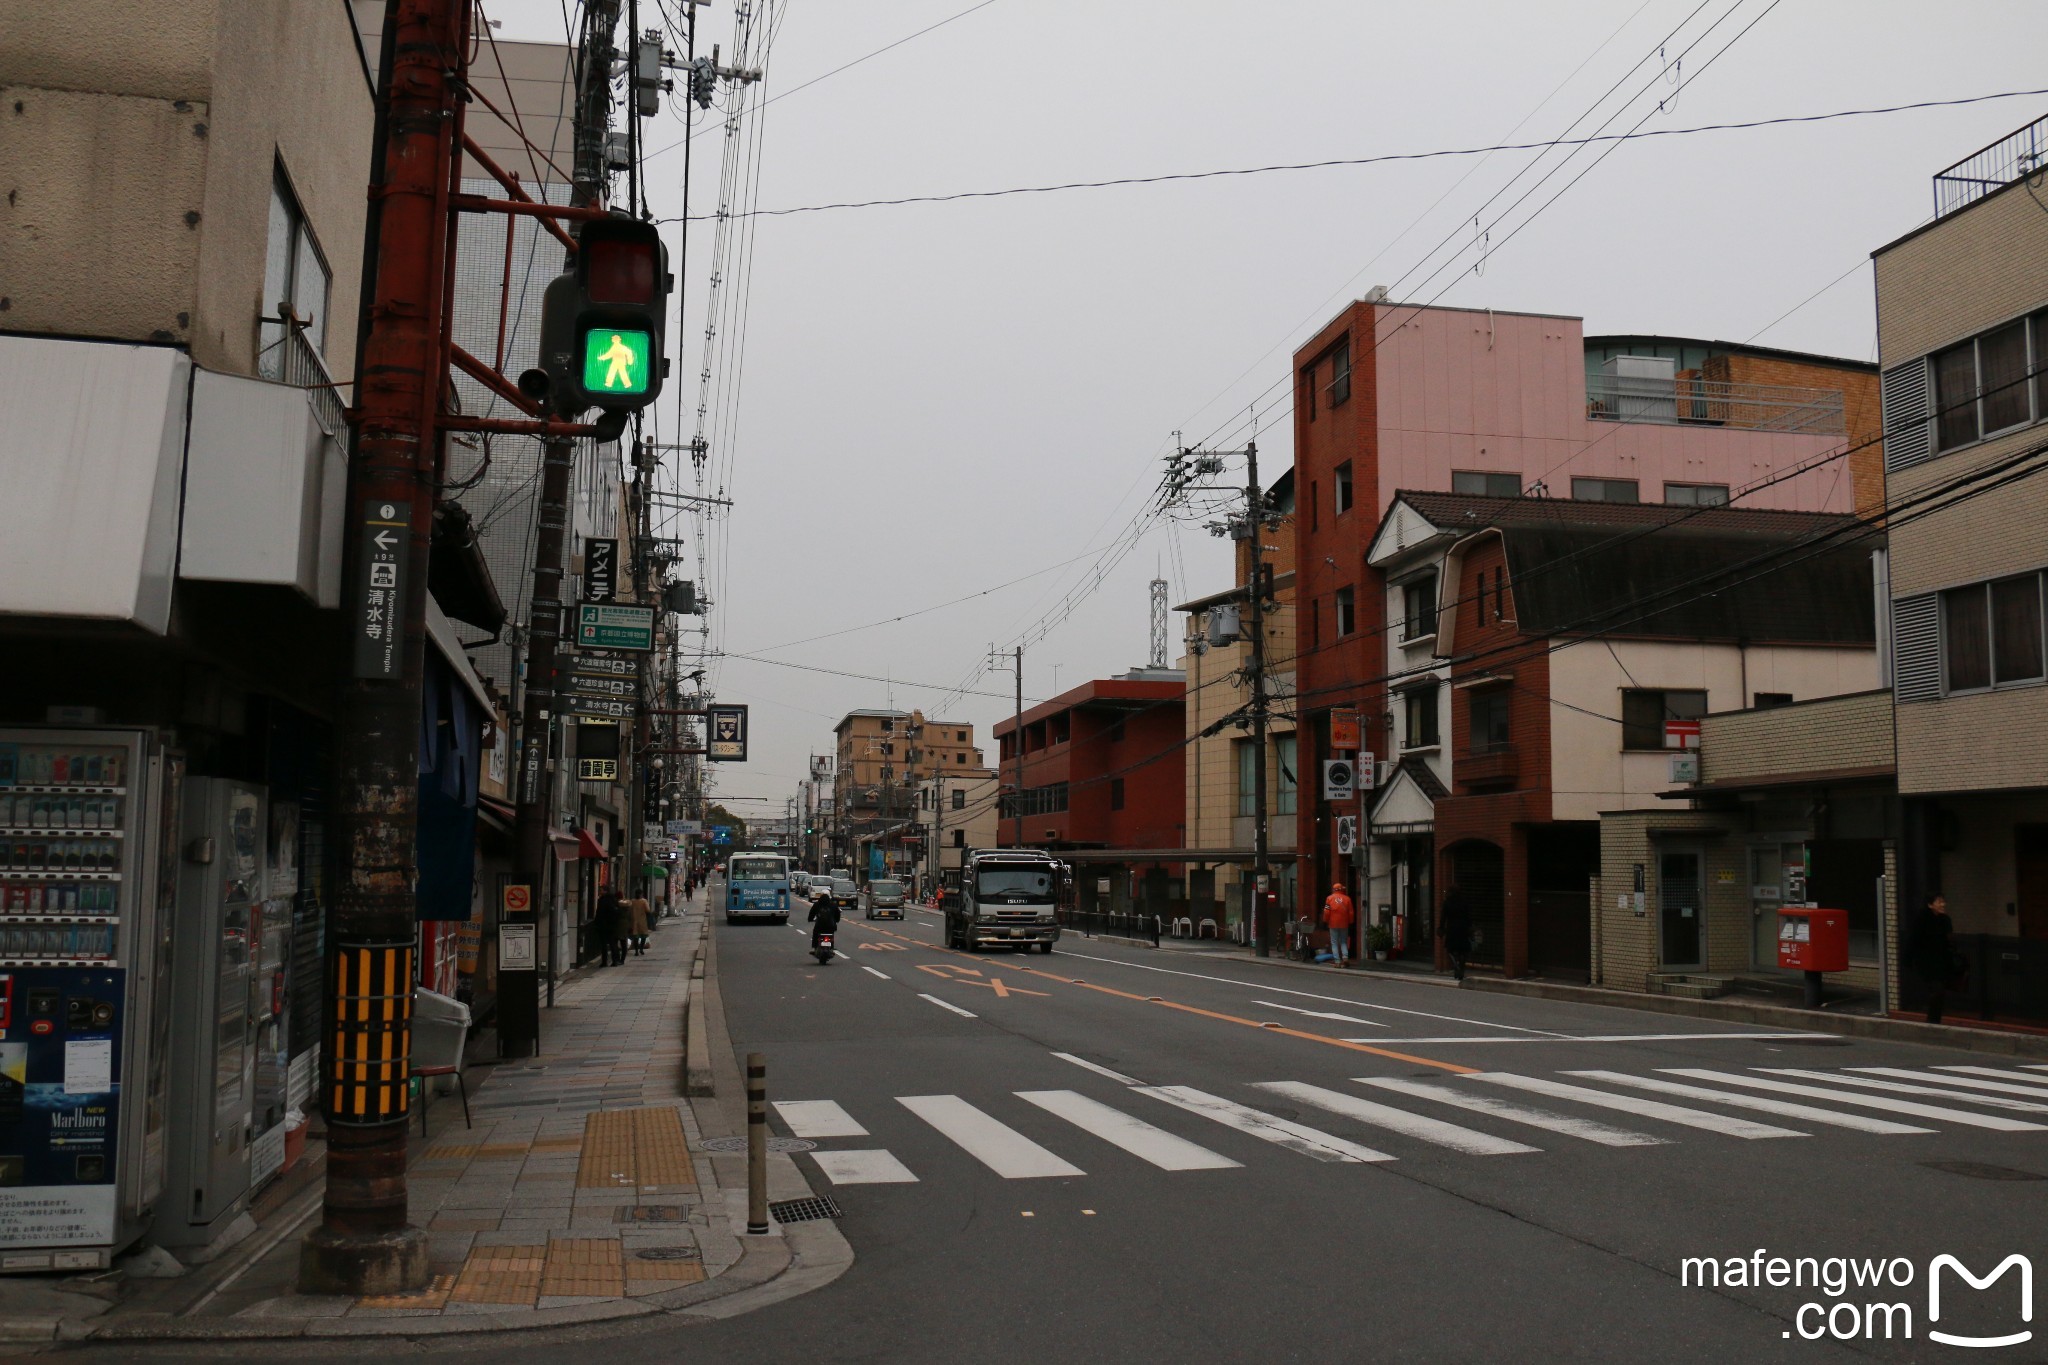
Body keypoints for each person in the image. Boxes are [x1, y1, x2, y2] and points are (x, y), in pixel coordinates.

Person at [1910, 892, 1956, 1025]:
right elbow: (1914, 939)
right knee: (1936, 989)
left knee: (1940, 990)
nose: (1943, 904)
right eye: (1939, 902)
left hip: (1941, 960)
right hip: (1926, 961)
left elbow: (1949, 938)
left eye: (1943, 901)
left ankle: (1935, 1018)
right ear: (1930, 905)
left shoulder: (1945, 919)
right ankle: (1933, 1019)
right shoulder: (1922, 919)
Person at [1439, 880, 1473, 983]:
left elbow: (1443, 918)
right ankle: (1461, 967)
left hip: (1452, 929)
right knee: (1463, 950)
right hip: (1463, 929)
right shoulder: (1464, 901)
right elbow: (1468, 916)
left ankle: (1456, 964)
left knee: (1450, 949)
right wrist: (1469, 927)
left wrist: (1441, 928)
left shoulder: (1447, 902)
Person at [1321, 881, 1356, 968]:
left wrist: (1325, 920)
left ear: (1334, 889)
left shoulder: (1329, 898)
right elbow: (1351, 912)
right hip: (1344, 923)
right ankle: (1345, 958)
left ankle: (1337, 961)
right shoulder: (1347, 899)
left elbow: (1326, 911)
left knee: (1334, 942)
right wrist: (1350, 921)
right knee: (1344, 941)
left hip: (1333, 923)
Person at [592, 888, 624, 967]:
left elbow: (599, 913)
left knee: (604, 945)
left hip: (603, 925)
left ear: (605, 891)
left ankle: (604, 962)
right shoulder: (614, 900)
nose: (600, 892)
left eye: (601, 890)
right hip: (613, 925)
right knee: (613, 944)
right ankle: (615, 961)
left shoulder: (603, 900)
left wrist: (597, 923)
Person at [807, 881, 842, 952]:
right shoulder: (833, 905)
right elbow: (838, 914)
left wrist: (810, 919)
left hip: (819, 926)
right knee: (831, 934)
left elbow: (811, 914)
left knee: (815, 933)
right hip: (831, 926)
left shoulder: (817, 904)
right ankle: (831, 947)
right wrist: (836, 920)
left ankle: (815, 947)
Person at [627, 885, 653, 956]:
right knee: (643, 936)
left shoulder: (632, 901)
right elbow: (648, 910)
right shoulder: (644, 901)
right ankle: (641, 949)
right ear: (641, 894)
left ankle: (636, 951)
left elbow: (629, 911)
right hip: (642, 921)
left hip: (634, 921)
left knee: (635, 937)